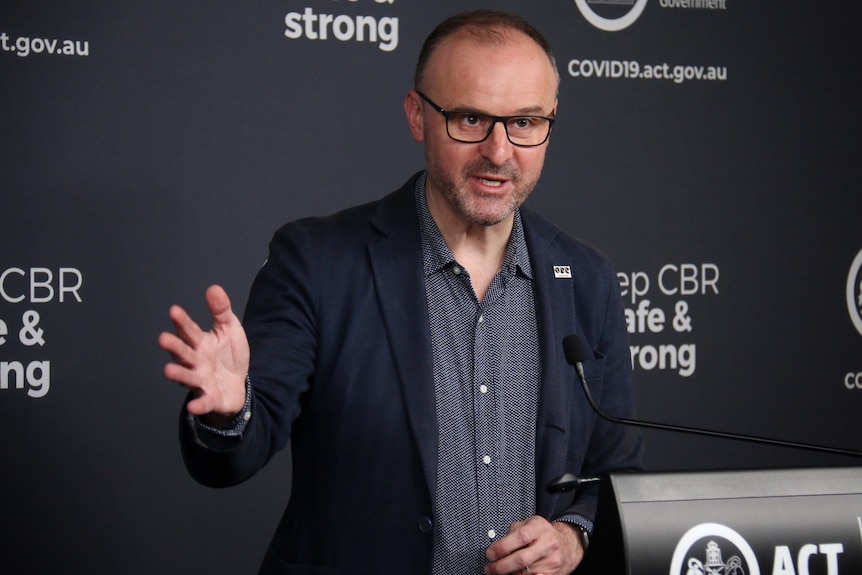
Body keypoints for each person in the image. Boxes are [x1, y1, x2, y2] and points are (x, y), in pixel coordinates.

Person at [159, 9, 643, 575]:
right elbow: (234, 453)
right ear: (418, 116)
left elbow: (615, 473)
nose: (499, 150)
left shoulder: (586, 278)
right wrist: (229, 411)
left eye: (526, 122)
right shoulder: (317, 261)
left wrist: (572, 536)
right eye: (469, 119)